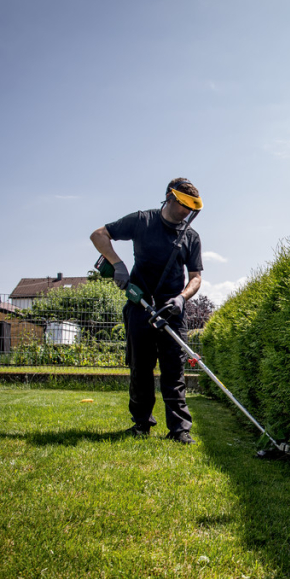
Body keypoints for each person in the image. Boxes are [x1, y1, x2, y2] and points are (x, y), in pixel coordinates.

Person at [90, 177, 204, 443]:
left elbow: (196, 277)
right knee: (140, 368)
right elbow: (99, 235)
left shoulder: (191, 237)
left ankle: (179, 430)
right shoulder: (142, 221)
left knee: (173, 370)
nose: (186, 212)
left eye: (191, 209)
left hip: (171, 311)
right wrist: (117, 264)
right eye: (183, 206)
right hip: (140, 305)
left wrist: (182, 298)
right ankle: (141, 424)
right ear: (169, 198)